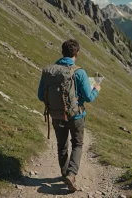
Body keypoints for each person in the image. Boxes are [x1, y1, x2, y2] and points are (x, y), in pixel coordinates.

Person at [37, 39, 101, 192]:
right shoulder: (79, 72)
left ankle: (64, 172)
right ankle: (71, 174)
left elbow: (40, 96)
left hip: (56, 115)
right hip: (76, 116)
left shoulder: (49, 71)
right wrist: (97, 88)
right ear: (76, 53)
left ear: (62, 52)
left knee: (61, 145)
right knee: (77, 144)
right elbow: (89, 97)